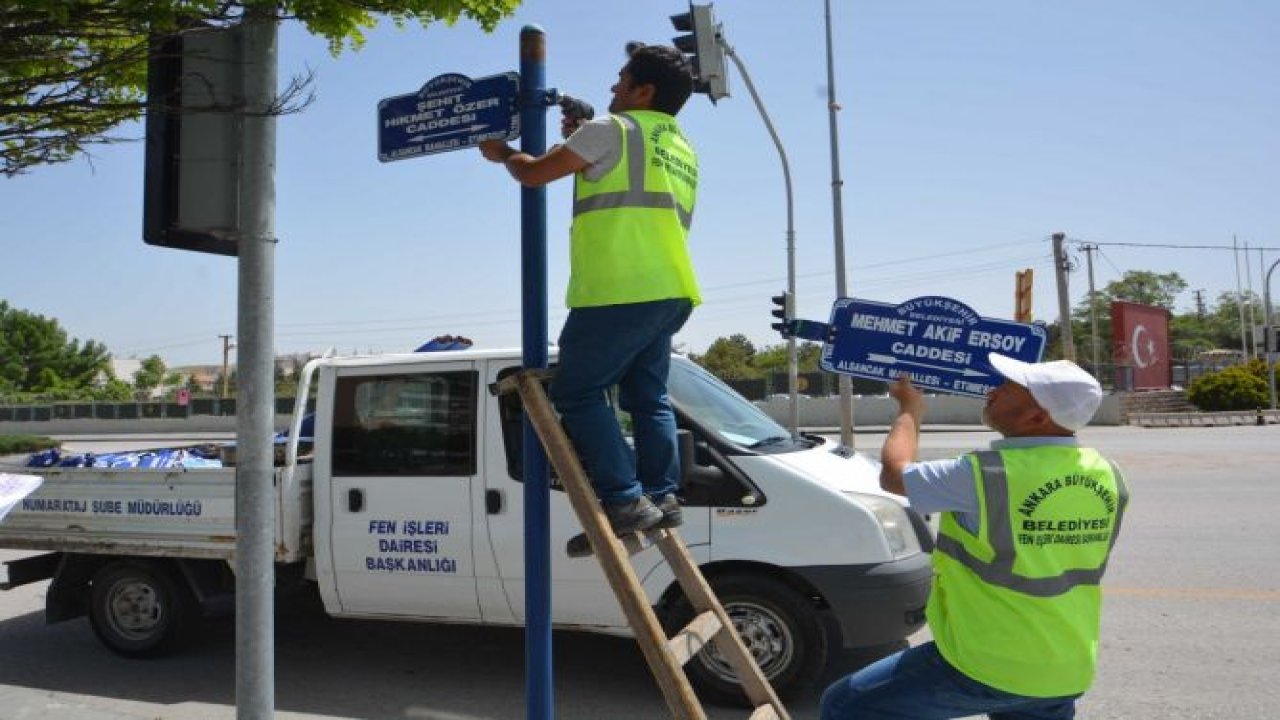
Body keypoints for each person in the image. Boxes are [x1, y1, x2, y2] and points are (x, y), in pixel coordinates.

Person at [821, 353, 1130, 720]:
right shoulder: (1108, 475)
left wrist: (910, 407)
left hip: (990, 663)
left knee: (845, 705)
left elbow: (894, 473)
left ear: (1037, 416)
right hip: (1066, 665)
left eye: (1011, 388)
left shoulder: (985, 474)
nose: (994, 390)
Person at [478, 44, 699, 539]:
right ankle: (660, 494)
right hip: (671, 290)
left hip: (618, 288)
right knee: (648, 396)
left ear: (644, 90)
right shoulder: (680, 145)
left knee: (578, 392)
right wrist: (582, 136)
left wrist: (504, 153)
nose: (612, 88)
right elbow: (613, 171)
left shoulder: (612, 129)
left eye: (621, 80)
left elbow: (533, 174)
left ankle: (623, 501)